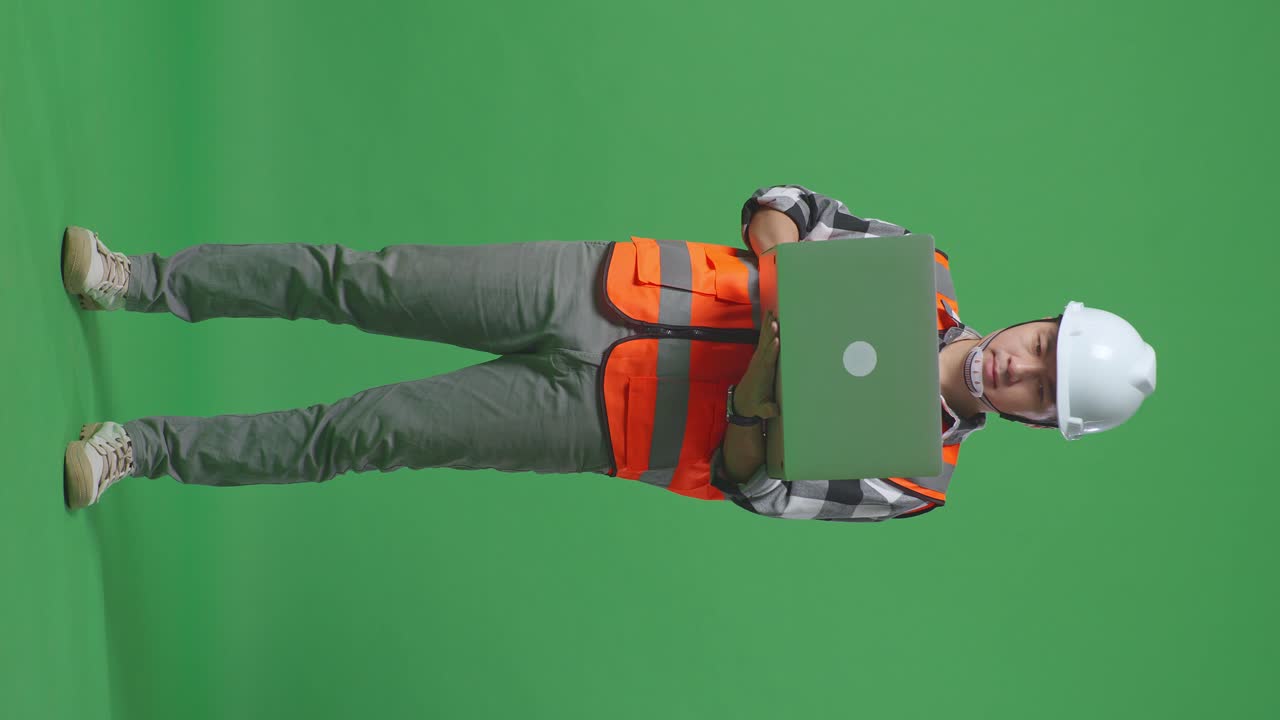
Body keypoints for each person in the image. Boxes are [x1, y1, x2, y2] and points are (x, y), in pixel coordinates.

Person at [61, 184, 1157, 520]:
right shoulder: (920, 275)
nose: (1017, 365)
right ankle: (139, 280)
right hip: (599, 281)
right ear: (1033, 323)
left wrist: (766, 389)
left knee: (367, 431)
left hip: (597, 420)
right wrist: (785, 296)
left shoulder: (919, 474)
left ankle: (139, 450)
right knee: (365, 277)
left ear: (1027, 418)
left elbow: (755, 485)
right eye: (1039, 346)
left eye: (1038, 386)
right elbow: (780, 203)